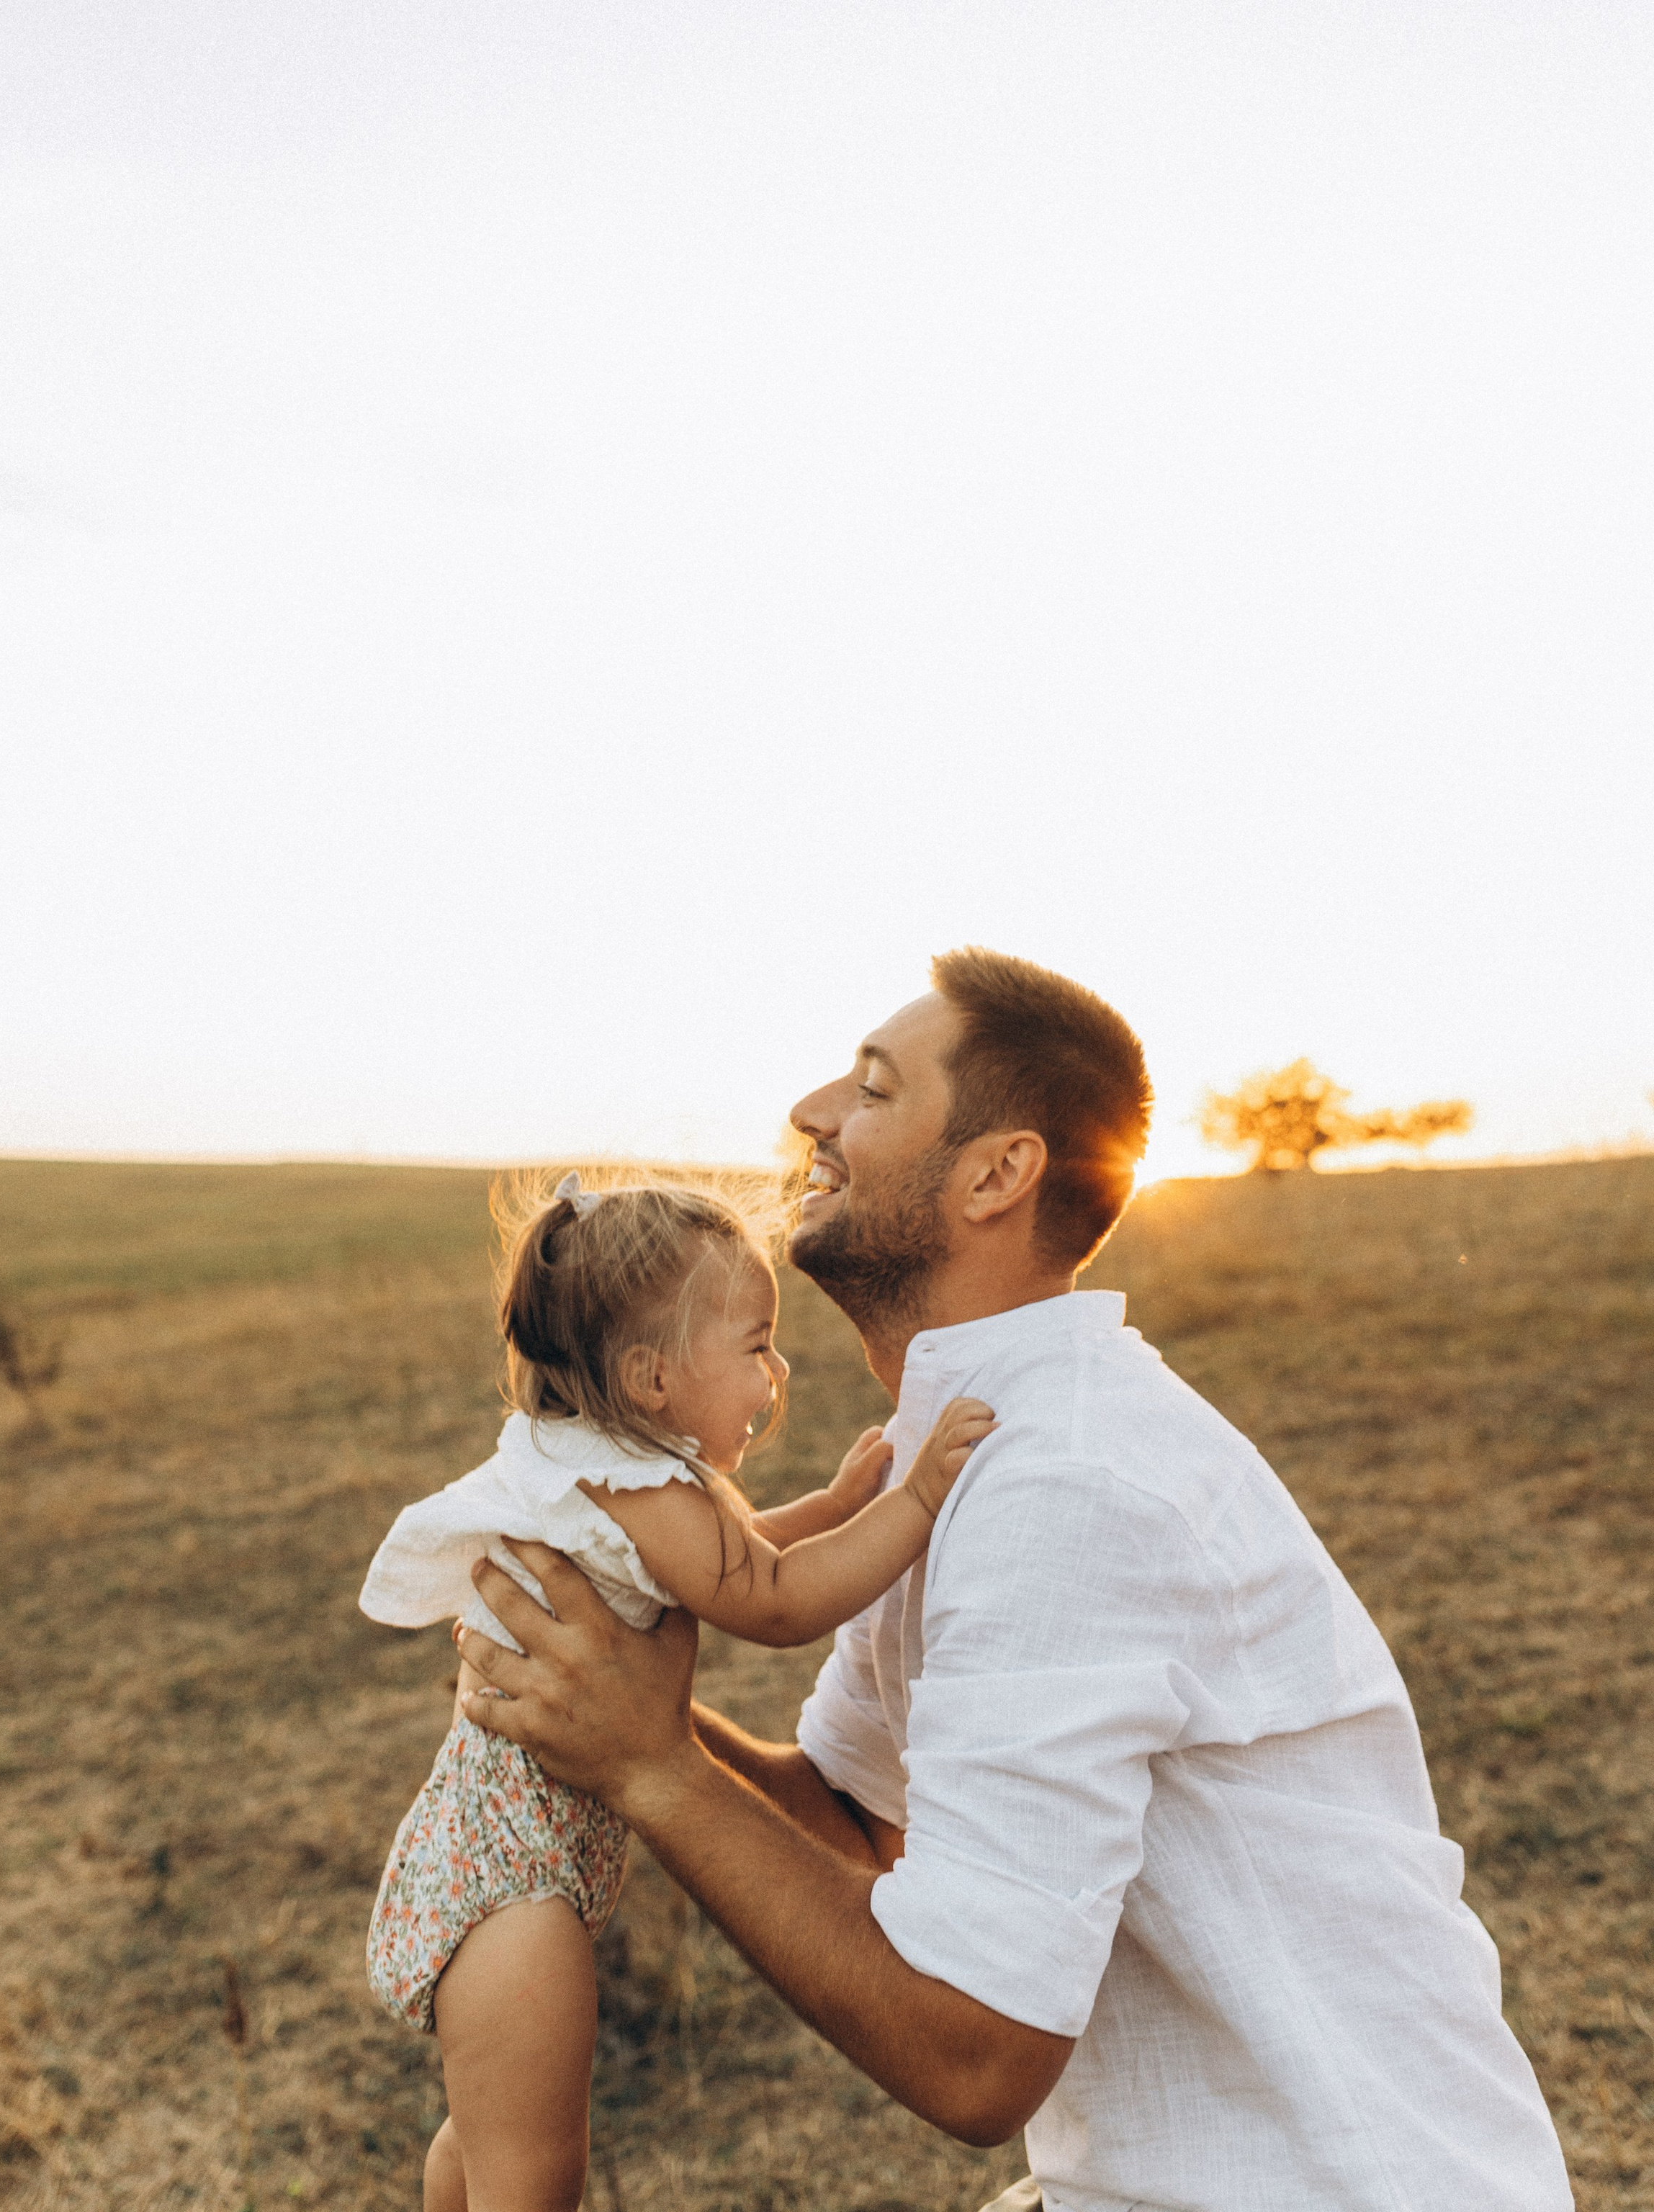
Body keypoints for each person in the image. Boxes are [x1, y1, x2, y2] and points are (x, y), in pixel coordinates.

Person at [456, 948, 1575, 2212]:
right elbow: (861, 1818)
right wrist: (602, 1695)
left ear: (999, 1173)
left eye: (873, 1091)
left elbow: (978, 2056)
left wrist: (649, 1763)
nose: (813, 1112)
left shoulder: (1066, 1483)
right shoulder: (967, 1437)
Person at [359, 1166, 994, 2212]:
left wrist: (837, 1506)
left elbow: (733, 1559)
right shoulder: (637, 1485)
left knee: (482, 2151)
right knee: (533, 2178)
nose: (777, 1372)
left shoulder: (617, 1467)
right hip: (516, 1887)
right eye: (755, 1347)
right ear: (654, 1379)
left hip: (504, 1861)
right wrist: (917, 1500)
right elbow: (775, 1601)